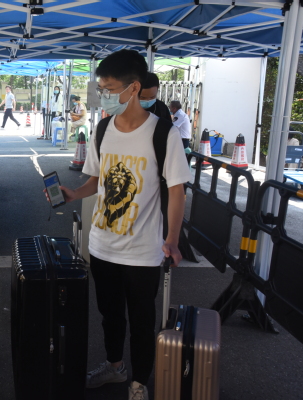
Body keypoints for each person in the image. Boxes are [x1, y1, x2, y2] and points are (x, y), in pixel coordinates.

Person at [50, 50, 191, 400]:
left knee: (142, 321)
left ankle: (139, 383)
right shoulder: (102, 129)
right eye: (101, 88)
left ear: (133, 88)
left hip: (143, 250)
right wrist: (73, 194)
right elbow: (96, 179)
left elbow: (177, 190)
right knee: (110, 315)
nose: (104, 95)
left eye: (110, 89)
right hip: (102, 245)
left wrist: (172, 240)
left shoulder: (163, 133)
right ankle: (115, 367)